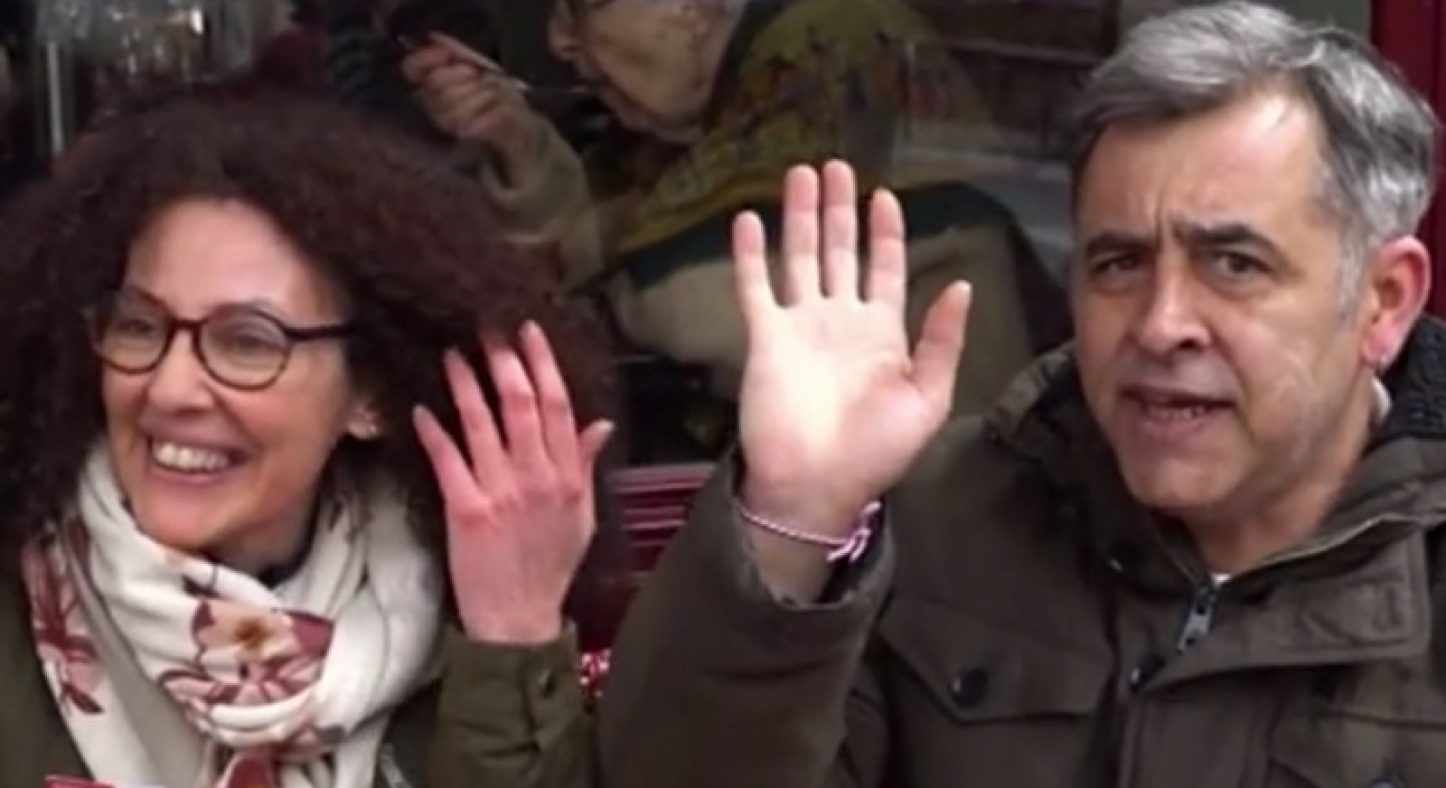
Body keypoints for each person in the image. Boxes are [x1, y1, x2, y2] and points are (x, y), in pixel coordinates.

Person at [596, 3, 1445, 787]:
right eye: (1119, 263)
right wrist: (794, 519)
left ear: (1384, 303)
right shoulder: (944, 518)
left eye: (1234, 264)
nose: (1161, 325)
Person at [0, 95, 613, 788]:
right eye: (139, 326)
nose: (170, 389)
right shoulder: (17, 615)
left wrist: (512, 637)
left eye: (247, 342)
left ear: (370, 396)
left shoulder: (450, 615)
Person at [542, 0, 1068, 417]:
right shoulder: (733, 90)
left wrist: (597, 246)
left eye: (586, 4)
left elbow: (684, 303)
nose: (557, 39)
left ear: (690, 8)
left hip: (934, 483)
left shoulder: (828, 39)